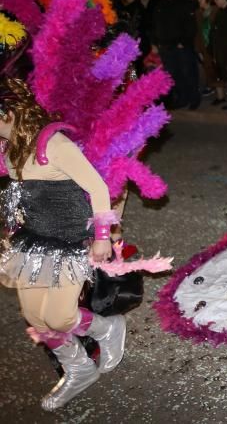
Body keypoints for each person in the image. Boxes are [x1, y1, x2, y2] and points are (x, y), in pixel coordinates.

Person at [0, 78, 126, 411]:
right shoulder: (6, 145)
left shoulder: (52, 143)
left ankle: (108, 327)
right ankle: (79, 368)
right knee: (33, 317)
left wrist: (101, 237)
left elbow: (98, 188)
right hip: (33, 241)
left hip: (71, 240)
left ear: (10, 112)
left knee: (57, 317)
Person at [151, 0, 200, 110]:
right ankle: (182, 98)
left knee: (188, 73)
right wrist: (156, 42)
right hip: (165, 47)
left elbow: (191, 27)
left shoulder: (185, 4)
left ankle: (194, 98)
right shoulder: (159, 6)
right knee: (173, 75)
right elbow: (155, 26)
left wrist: (183, 42)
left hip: (181, 47)